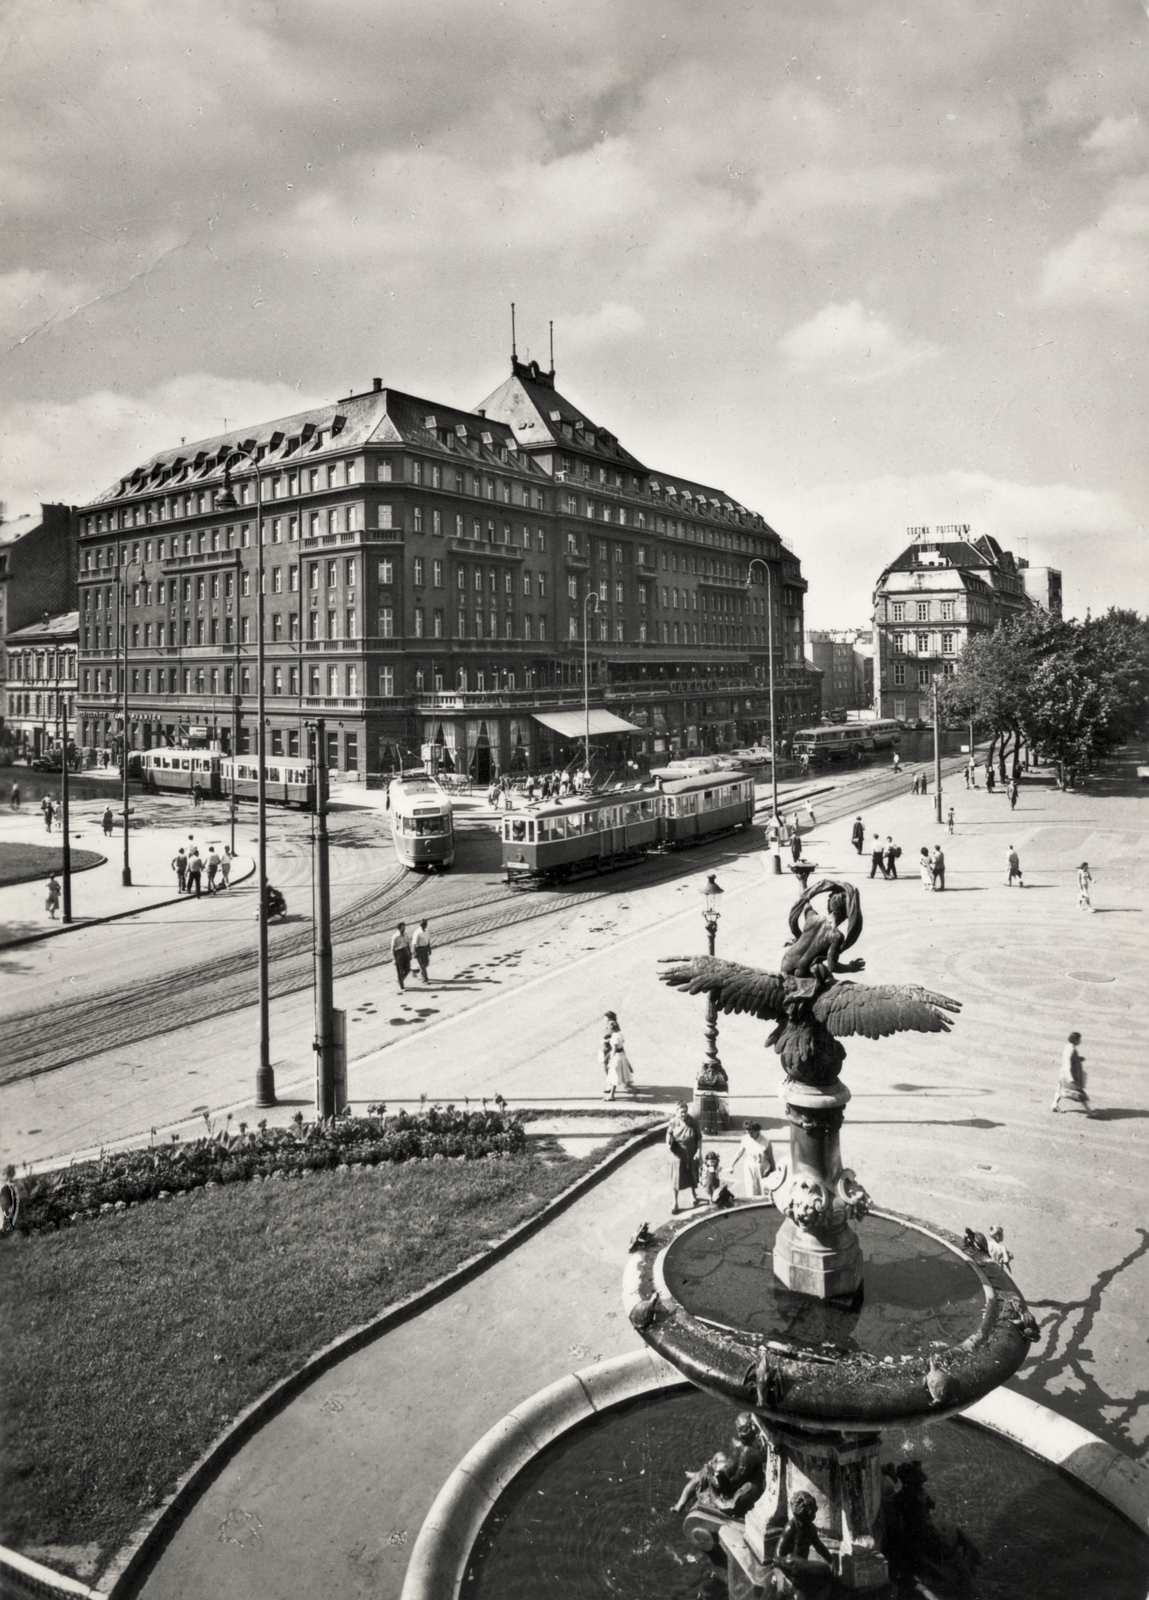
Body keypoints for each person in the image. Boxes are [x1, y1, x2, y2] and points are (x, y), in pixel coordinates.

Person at [667, 1102, 701, 1213]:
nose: (684, 1114)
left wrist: (699, 1151)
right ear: (676, 1112)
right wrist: (668, 1144)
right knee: (676, 1177)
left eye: (685, 1111)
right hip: (677, 1153)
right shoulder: (673, 1122)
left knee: (692, 1174)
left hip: (691, 1151)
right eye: (681, 1112)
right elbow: (668, 1135)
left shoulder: (693, 1122)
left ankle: (693, 1194)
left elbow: (699, 1138)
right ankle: (675, 1202)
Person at [731, 1122, 774, 1198]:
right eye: (748, 1133)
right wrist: (732, 1164)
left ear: (757, 1131)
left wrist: (774, 1171)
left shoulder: (766, 1141)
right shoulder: (745, 1139)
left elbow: (771, 1158)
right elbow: (739, 1152)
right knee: (751, 1189)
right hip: (749, 1168)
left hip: (763, 1168)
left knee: (764, 1190)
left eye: (752, 1133)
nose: (750, 1135)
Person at [1051, 1032, 1091, 1115]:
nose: (1080, 1041)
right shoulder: (1071, 1050)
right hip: (1069, 1075)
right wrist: (1070, 1077)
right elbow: (1068, 1064)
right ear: (1076, 1040)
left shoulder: (1069, 1046)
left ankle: (1054, 1104)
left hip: (1063, 1074)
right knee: (1079, 1093)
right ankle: (1089, 1111)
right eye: (1079, 1039)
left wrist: (1078, 1059)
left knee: (1060, 1088)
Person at [603, 1012, 635, 1098]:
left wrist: (611, 1060)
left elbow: (614, 1049)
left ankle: (611, 1095)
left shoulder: (614, 1037)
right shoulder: (619, 1035)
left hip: (616, 1056)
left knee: (614, 1075)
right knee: (622, 1072)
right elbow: (621, 1047)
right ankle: (627, 1085)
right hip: (621, 1055)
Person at [391, 921, 412, 992]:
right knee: (400, 971)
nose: (404, 929)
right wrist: (394, 958)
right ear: (399, 928)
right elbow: (392, 948)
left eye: (405, 927)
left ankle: (399, 979)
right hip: (398, 953)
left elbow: (408, 944)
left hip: (405, 951)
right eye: (403, 927)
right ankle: (401, 987)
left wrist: (410, 953)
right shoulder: (395, 936)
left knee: (408, 969)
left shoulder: (405, 934)